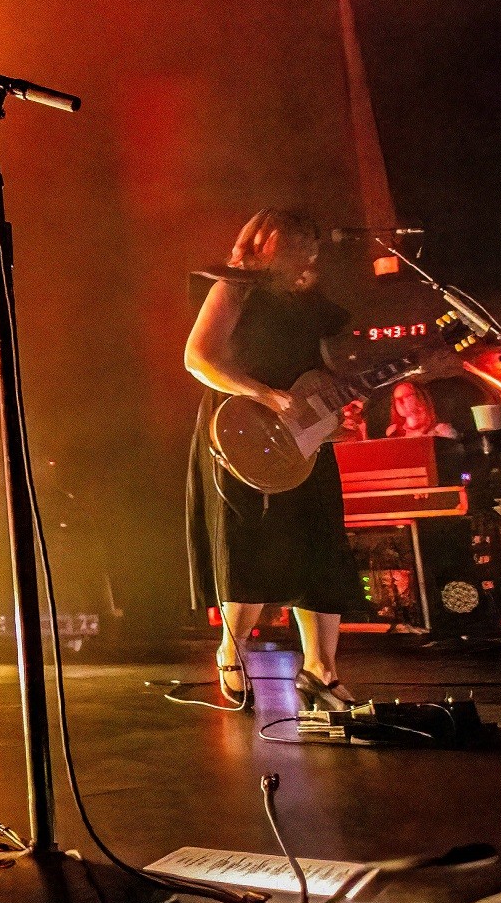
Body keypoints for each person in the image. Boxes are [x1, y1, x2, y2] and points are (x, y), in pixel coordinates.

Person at [183, 209, 359, 713]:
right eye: (295, 236)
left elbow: (324, 374)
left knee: (320, 541)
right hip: (244, 427)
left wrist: (335, 414)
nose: (306, 247)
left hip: (305, 433)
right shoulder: (234, 287)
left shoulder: (313, 306)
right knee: (252, 542)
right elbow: (199, 357)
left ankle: (320, 670)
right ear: (263, 240)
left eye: (312, 239)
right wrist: (264, 395)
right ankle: (231, 648)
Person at [384, 377, 459, 440]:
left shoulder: (441, 430)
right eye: (396, 399)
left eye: (406, 396)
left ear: (420, 398)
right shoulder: (393, 432)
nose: (400, 402)